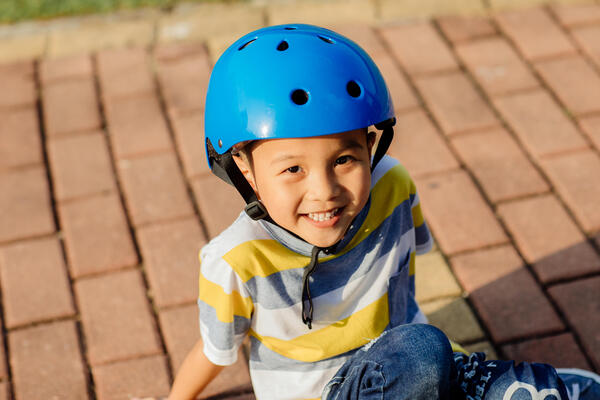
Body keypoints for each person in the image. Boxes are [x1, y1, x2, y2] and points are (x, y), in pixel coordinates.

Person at [168, 24, 600, 400]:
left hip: (412, 369)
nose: (325, 192)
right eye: (293, 169)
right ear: (243, 168)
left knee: (442, 362)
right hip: (330, 390)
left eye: (344, 160)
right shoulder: (235, 260)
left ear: (371, 147)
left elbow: (404, 289)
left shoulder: (392, 187)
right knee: (422, 349)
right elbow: (214, 351)